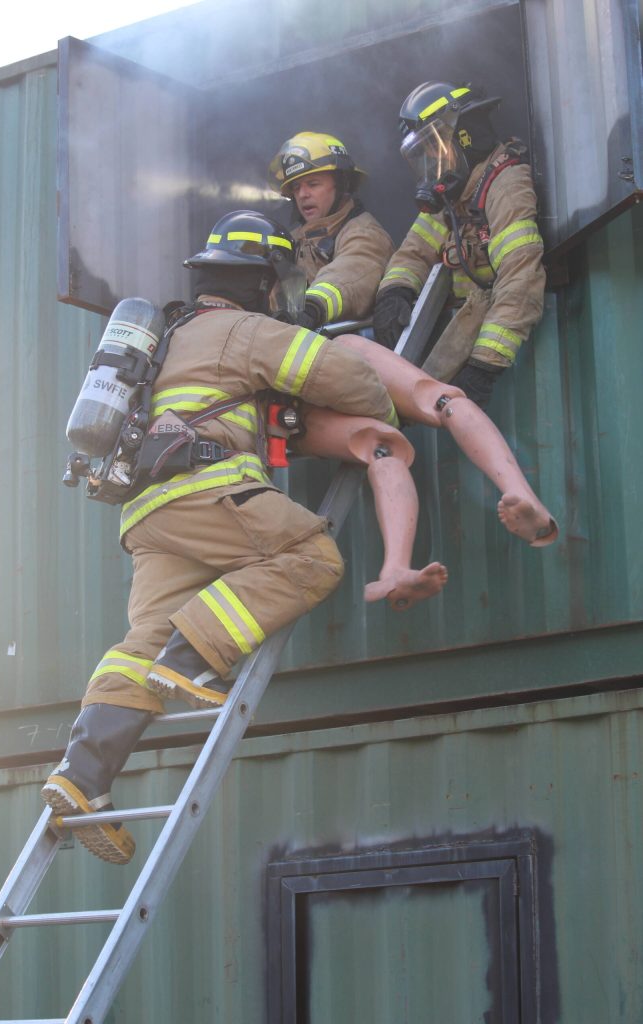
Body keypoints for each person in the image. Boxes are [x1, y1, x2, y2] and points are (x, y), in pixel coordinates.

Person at [42, 210, 557, 865]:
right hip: (208, 487)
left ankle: (81, 778)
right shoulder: (246, 328)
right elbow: (348, 380)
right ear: (261, 285)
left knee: (138, 639)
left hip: (146, 511)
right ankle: (187, 661)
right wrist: (352, 397)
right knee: (311, 558)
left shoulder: (167, 338)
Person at [372, 81, 546, 409]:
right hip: (465, 349)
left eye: (435, 150)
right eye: (422, 157)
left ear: (465, 136)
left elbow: (521, 279)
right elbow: (413, 252)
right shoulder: (452, 196)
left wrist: (483, 366)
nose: (432, 165)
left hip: (510, 361)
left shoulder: (505, 187)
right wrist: (393, 294)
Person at [268, 131, 394, 329]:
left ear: (341, 184)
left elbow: (352, 272)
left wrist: (312, 307)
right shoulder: (292, 241)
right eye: (296, 187)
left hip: (348, 348)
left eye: (313, 184)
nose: (302, 194)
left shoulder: (364, 233)